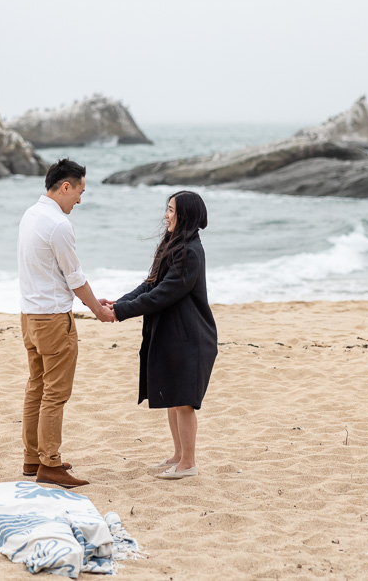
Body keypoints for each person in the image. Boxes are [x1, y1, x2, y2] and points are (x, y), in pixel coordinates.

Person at [17, 159, 115, 489]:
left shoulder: (31, 215)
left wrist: (91, 302)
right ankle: (50, 464)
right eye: (79, 192)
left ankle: (33, 458)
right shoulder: (58, 225)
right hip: (53, 319)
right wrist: (98, 310)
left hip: (29, 316)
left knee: (37, 387)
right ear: (65, 187)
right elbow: (74, 277)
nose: (80, 201)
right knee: (55, 394)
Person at [106, 191, 217, 480]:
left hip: (190, 336)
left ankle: (189, 463)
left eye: (171, 210)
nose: (166, 215)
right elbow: (150, 284)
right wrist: (117, 303)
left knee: (184, 402)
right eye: (166, 209)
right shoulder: (173, 244)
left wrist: (120, 312)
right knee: (172, 396)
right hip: (172, 333)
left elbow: (162, 296)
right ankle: (178, 455)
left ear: (186, 215)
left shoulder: (190, 251)